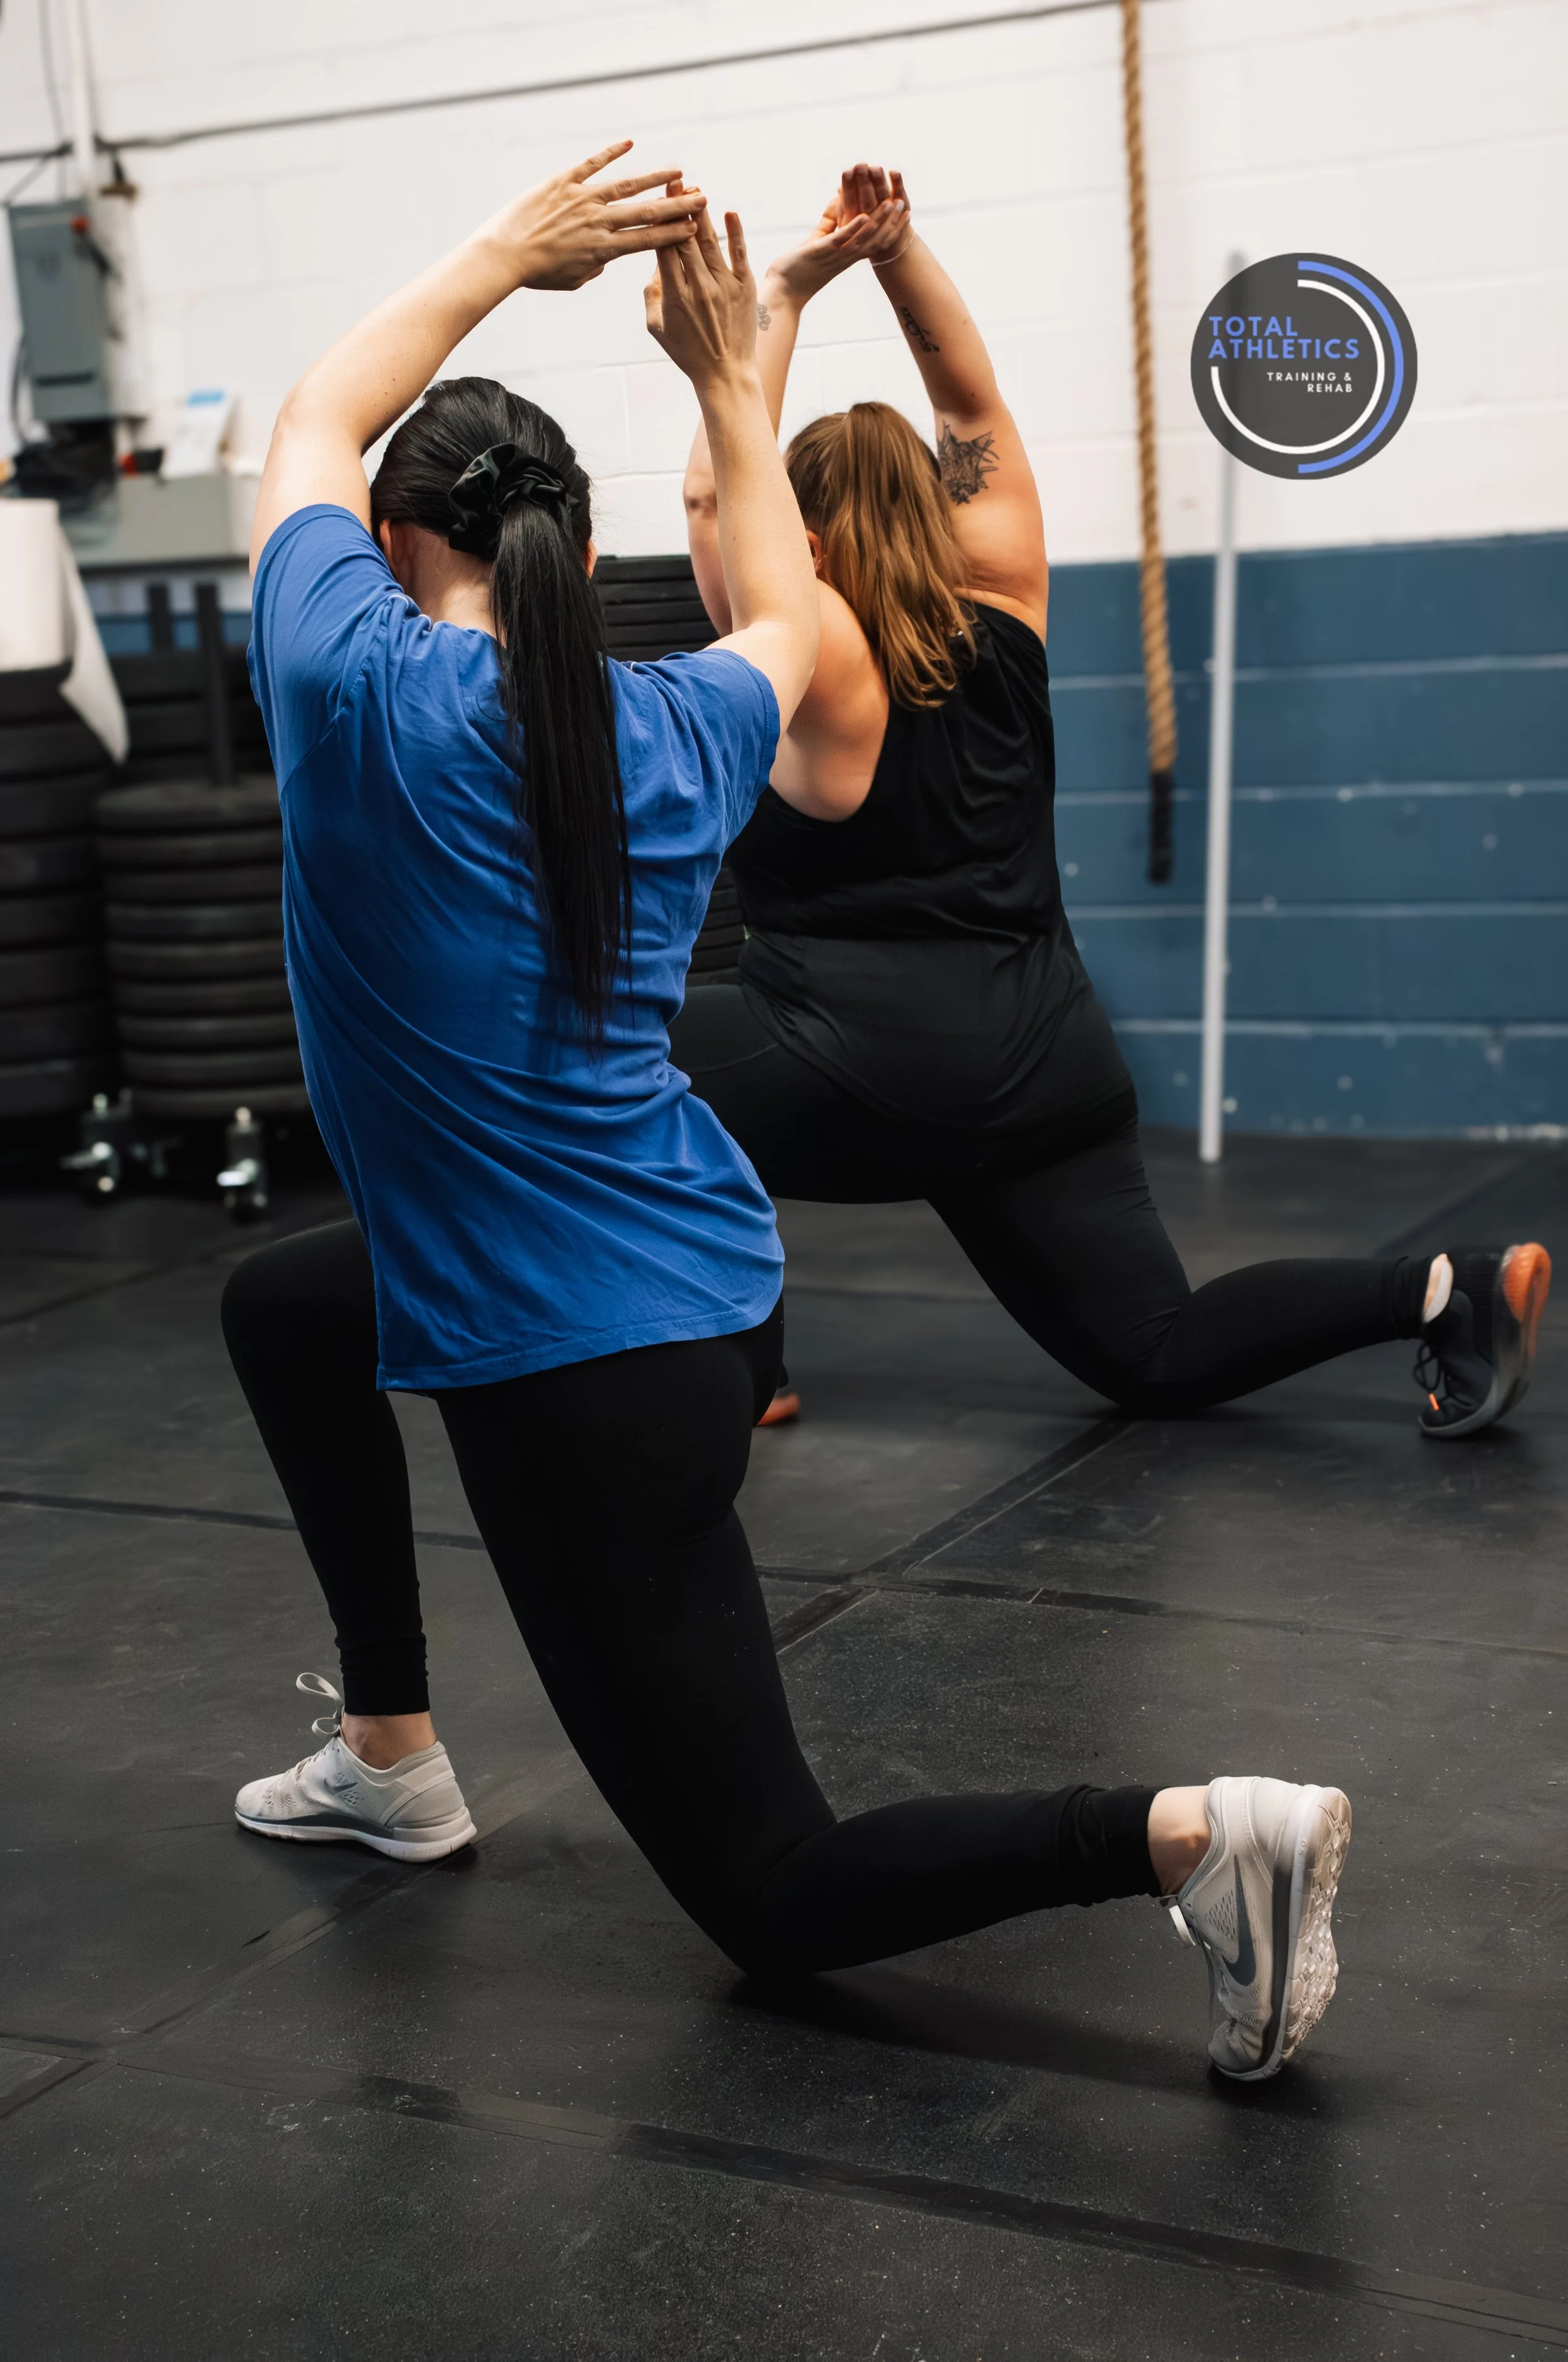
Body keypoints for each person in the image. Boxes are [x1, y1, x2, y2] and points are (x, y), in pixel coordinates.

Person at [222, 142, 1350, 2083]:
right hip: (699, 1286)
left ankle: (1181, 1833)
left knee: (777, 1890)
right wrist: (731, 388)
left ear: (399, 546)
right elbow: (810, 643)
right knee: (285, 1307)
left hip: (573, 1364)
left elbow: (322, 404)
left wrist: (511, 253)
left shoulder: (349, 692)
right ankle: (388, 1748)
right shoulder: (682, 719)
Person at [671, 164, 1552, 1440]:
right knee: (1155, 1348)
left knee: (613, 1048)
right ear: (938, 511)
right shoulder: (1006, 603)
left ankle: (742, 1364)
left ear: (797, 545)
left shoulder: (810, 662)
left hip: (861, 1067)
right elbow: (967, 399)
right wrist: (898, 250)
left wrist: (793, 288)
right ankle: (1436, 1291)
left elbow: (712, 491)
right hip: (1048, 1062)